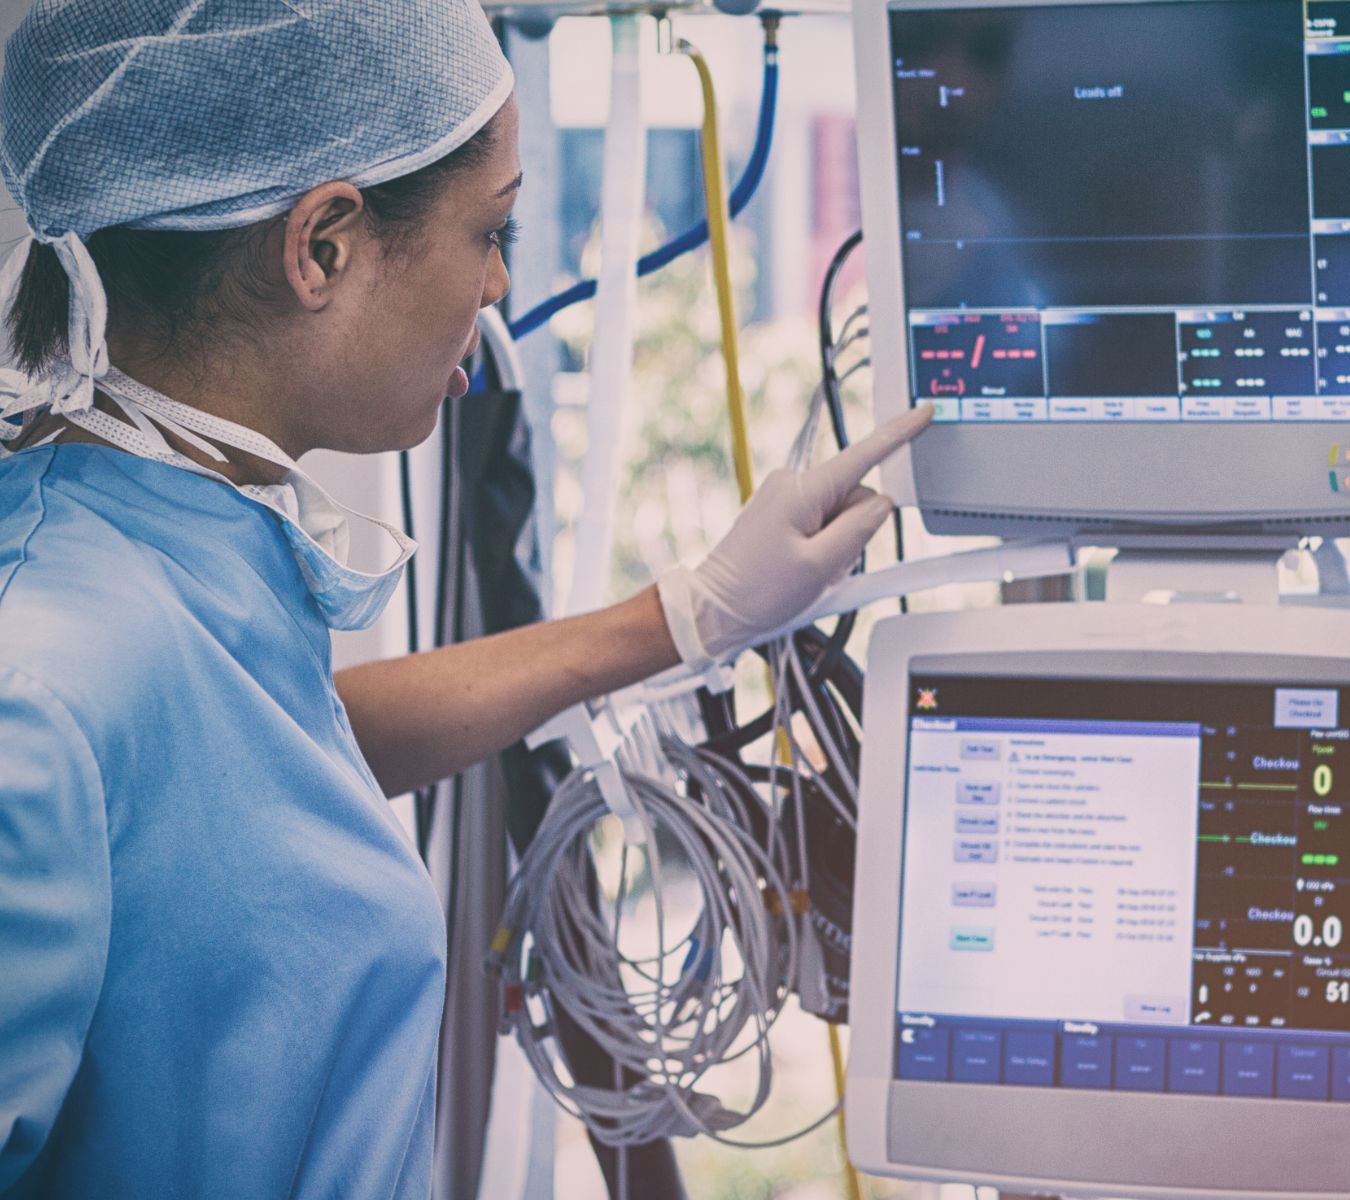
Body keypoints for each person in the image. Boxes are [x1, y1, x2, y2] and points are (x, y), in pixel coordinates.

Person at [0, 2, 928, 1196]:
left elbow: (268, 760)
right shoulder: (43, 685)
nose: (498, 285)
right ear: (323, 246)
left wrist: (689, 615)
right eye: (491, 231)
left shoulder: (174, 536)